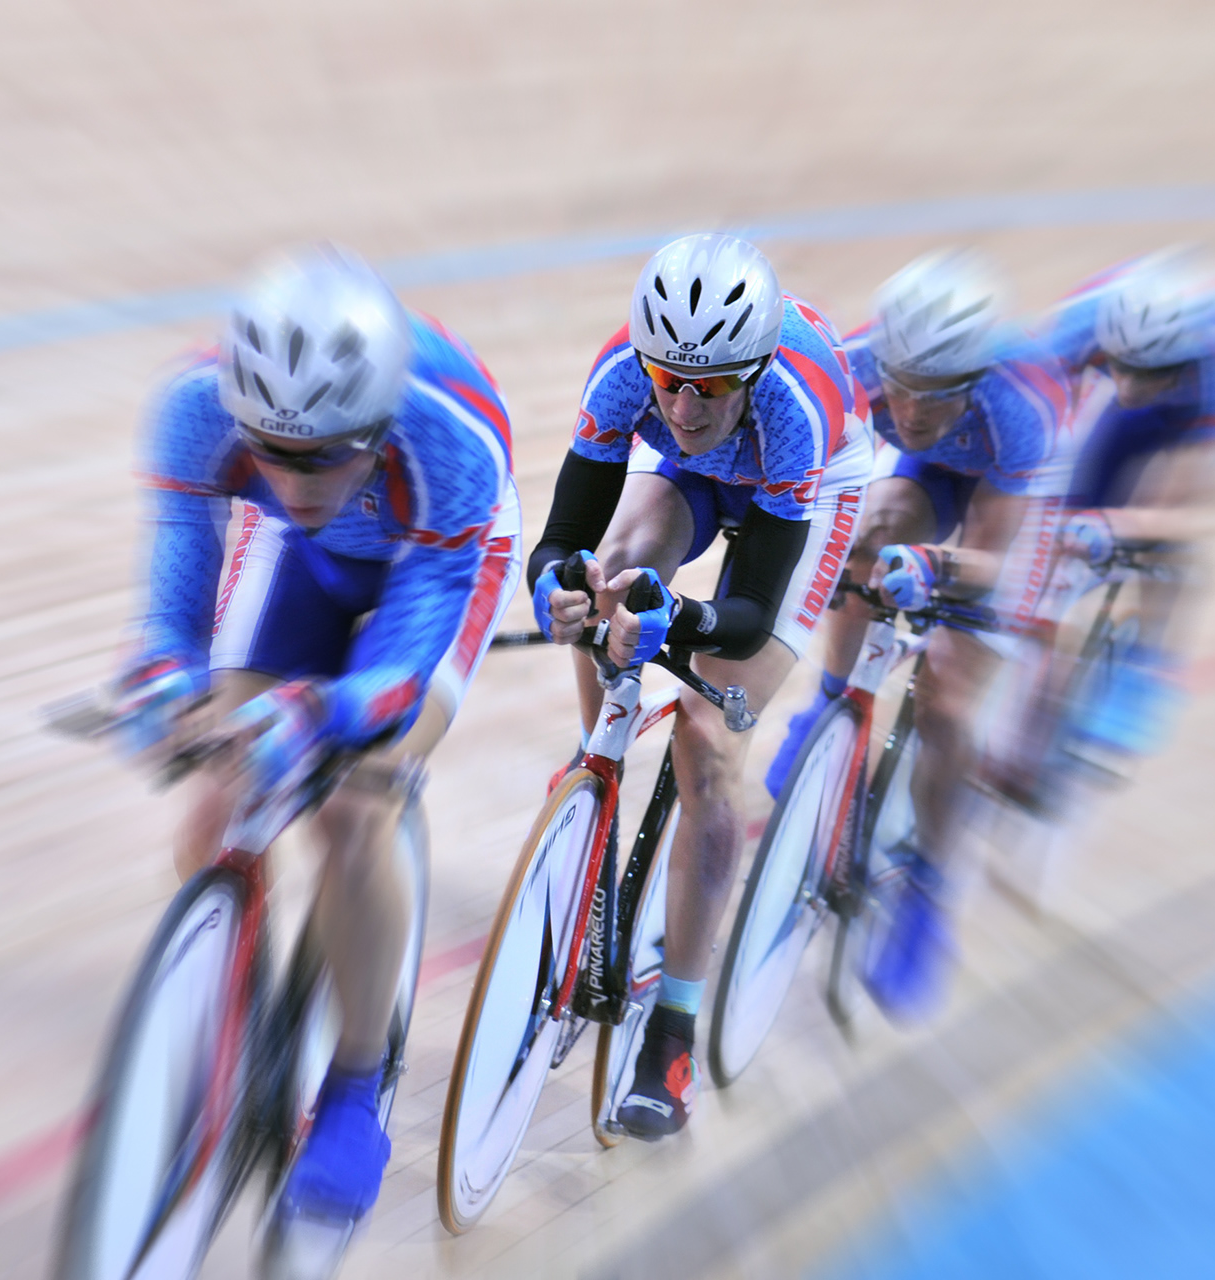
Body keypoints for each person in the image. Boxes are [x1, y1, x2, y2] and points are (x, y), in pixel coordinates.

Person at [115, 246, 520, 1232]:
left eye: (327, 453)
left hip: (432, 568)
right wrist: (168, 685)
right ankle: (226, 994)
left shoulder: (452, 436)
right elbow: (176, 595)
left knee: (355, 799)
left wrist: (321, 715)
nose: (296, 477)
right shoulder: (193, 407)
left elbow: (399, 668)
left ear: (379, 423)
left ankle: (353, 1081)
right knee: (220, 783)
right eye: (273, 451)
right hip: (299, 562)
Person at [529, 233, 874, 1138]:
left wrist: (678, 622)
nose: (682, 405)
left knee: (708, 743)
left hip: (808, 494)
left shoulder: (797, 411)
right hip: (702, 480)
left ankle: (673, 1031)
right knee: (610, 568)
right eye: (667, 379)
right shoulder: (622, 377)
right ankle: (595, 767)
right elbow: (561, 538)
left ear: (752, 372)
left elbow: (752, 609)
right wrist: (561, 591)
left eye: (712, 385)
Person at [758, 248, 1072, 1020]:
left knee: (949, 702)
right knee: (865, 537)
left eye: (935, 396)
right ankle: (831, 704)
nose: (912, 411)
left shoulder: (1018, 404)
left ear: (973, 380)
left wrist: (934, 567)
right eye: (900, 388)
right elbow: (827, 490)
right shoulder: (860, 363)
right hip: (931, 477)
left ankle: (932, 884)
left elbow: (997, 561)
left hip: (1009, 502)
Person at [1030, 247, 1215, 761]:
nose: (1127, 385)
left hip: (1210, 413)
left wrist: (1126, 524)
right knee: (1061, 504)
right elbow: (1035, 418)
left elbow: (1191, 512)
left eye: (1146, 372)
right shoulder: (1080, 325)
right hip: (1144, 397)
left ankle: (1147, 665)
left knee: (1163, 524)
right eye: (1120, 366)